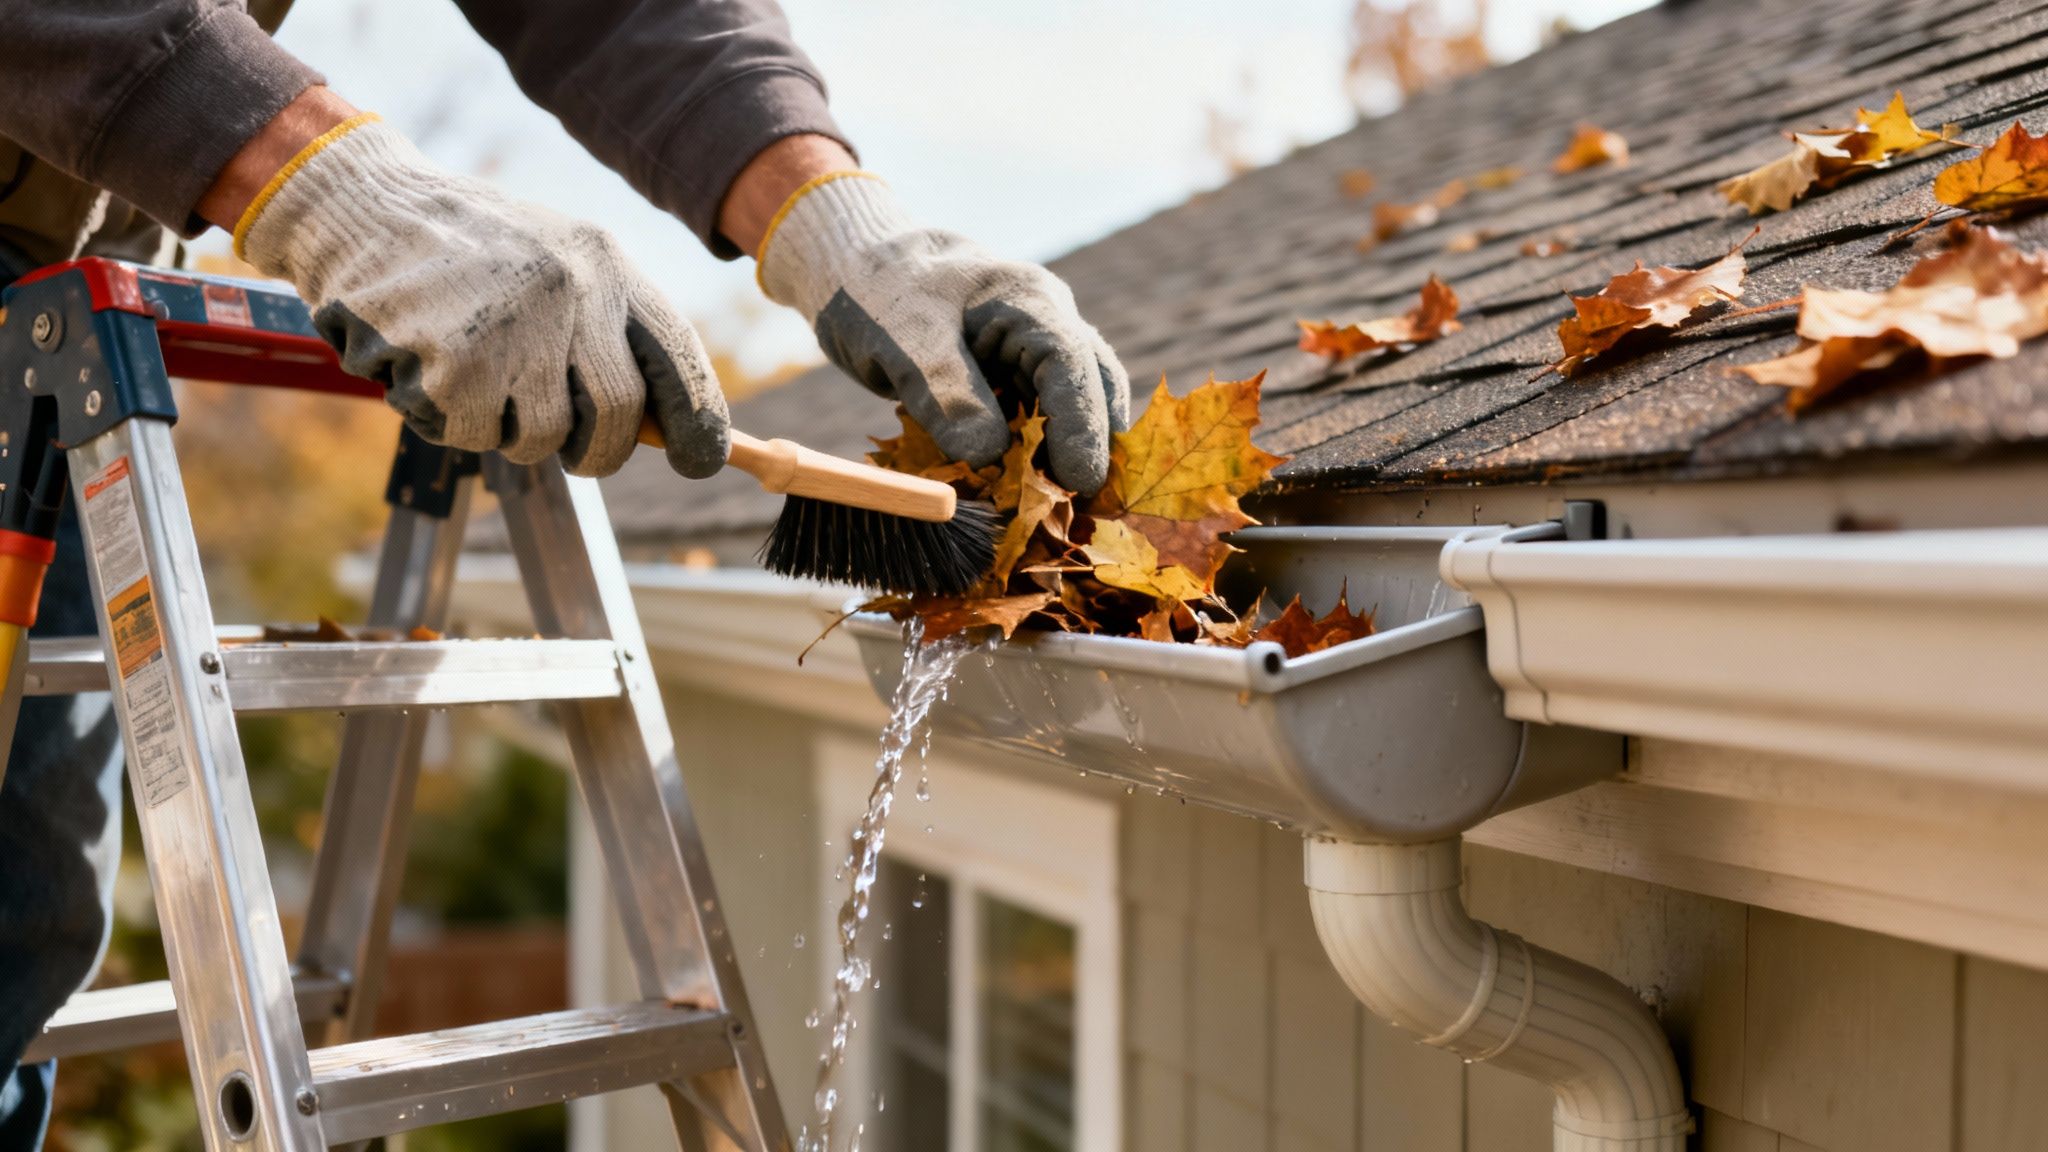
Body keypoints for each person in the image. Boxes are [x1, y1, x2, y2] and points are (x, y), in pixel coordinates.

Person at [0, 2, 1131, 1145]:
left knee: (28, 919)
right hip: (61, 304)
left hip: (68, 281)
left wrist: (834, 219)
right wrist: (334, 186)